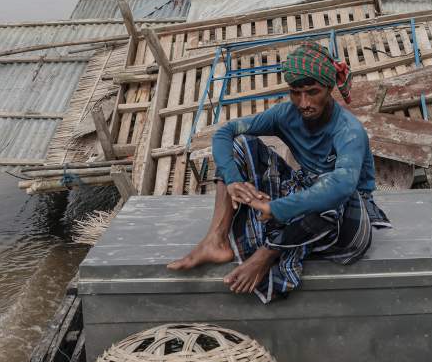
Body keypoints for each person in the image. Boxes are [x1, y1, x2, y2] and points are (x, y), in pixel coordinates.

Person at [167, 41, 391, 303]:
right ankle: (216, 239)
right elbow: (225, 133)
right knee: (241, 144)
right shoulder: (285, 114)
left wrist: (277, 208)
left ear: (329, 89)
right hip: (307, 196)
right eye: (296, 92)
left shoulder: (348, 130)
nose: (303, 102)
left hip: (347, 220)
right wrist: (233, 181)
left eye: (312, 92)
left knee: (332, 188)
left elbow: (342, 186)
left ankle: (267, 253)